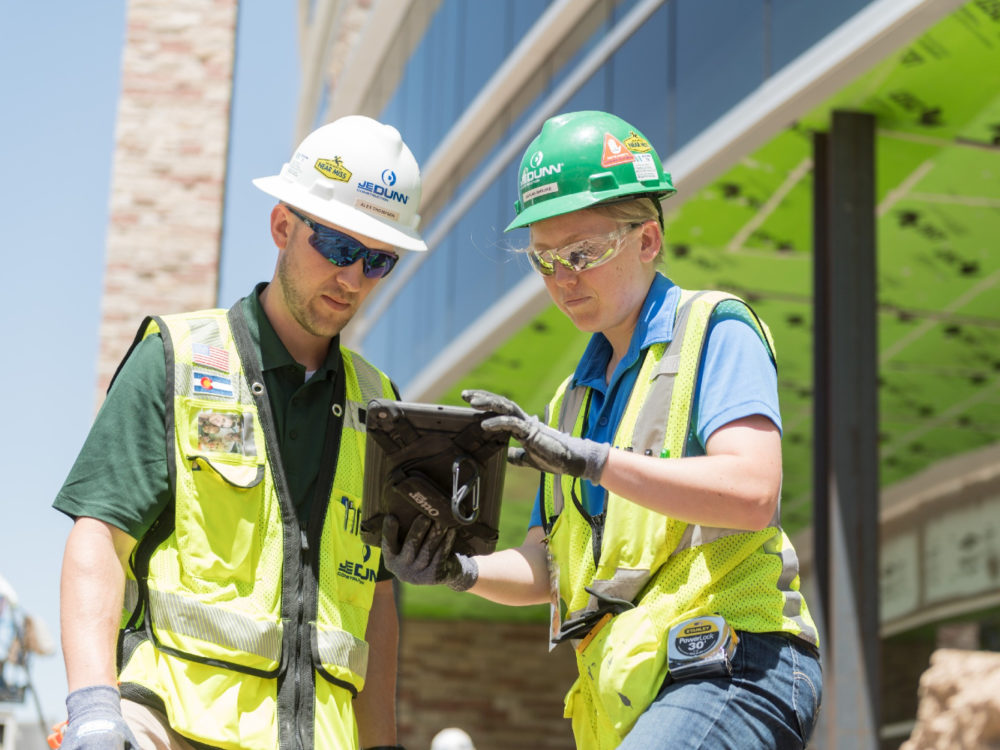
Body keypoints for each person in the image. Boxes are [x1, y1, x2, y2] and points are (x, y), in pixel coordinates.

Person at [381, 111, 822, 749]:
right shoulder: (569, 402)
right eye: (544, 260)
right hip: (635, 690)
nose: (563, 280)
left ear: (647, 241)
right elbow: (548, 566)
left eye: (582, 254)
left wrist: (592, 460)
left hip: (735, 663)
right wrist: (458, 571)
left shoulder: (715, 329)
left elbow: (753, 491)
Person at [54, 115, 425, 750]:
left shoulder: (380, 404)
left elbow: (377, 605)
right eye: (338, 248)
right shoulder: (177, 357)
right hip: (167, 725)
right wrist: (94, 708)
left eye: (378, 259)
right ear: (283, 227)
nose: (353, 278)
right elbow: (100, 538)